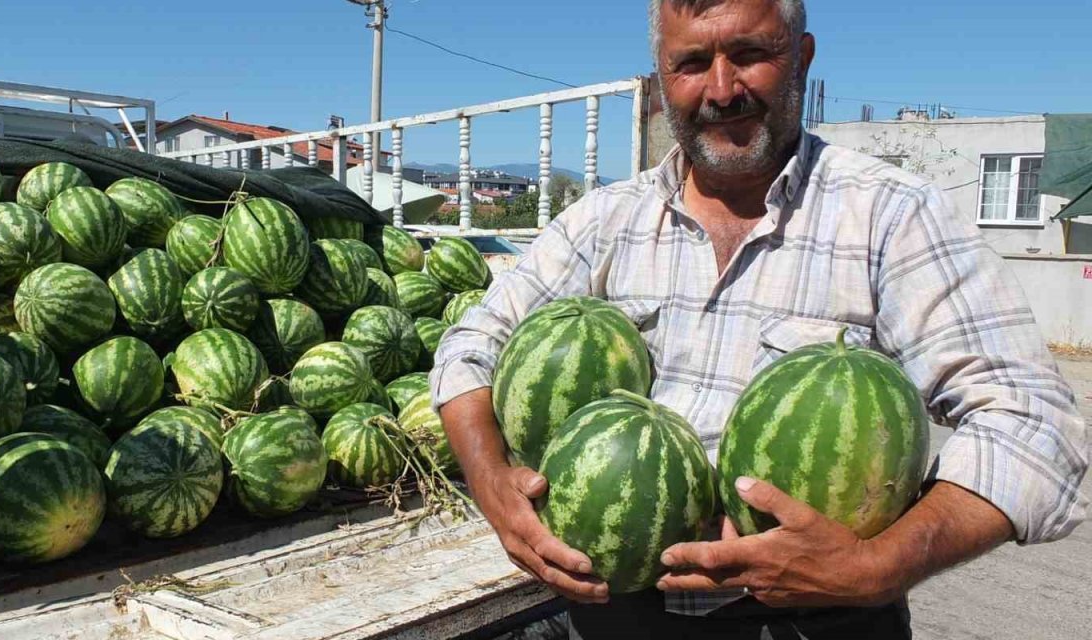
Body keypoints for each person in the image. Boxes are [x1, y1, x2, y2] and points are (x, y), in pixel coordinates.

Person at [428, 0, 1090, 638]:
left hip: (822, 621)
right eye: (691, 63)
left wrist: (877, 566)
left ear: (800, 57)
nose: (721, 88)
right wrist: (492, 484)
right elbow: (471, 344)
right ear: (662, 75)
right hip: (614, 612)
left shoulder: (891, 216)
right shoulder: (604, 220)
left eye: (750, 54)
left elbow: (1035, 428)